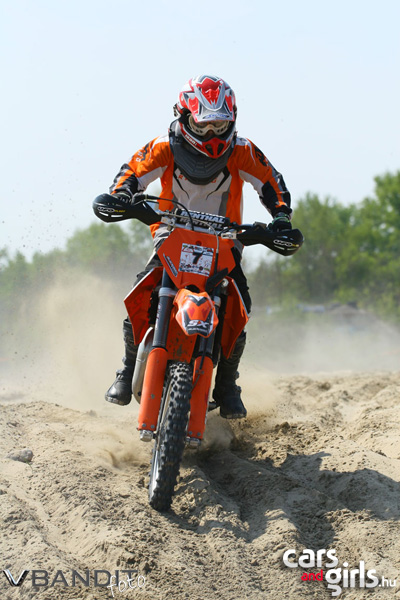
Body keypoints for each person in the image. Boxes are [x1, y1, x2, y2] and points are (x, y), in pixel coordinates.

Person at [100, 75, 292, 419]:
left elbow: (270, 182)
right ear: (184, 116)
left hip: (225, 243)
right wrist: (121, 195)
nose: (212, 134)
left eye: (220, 125)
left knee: (240, 305)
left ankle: (227, 384)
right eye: (203, 125)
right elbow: (132, 171)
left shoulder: (243, 150)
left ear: (232, 120)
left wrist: (280, 218)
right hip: (171, 236)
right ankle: (127, 369)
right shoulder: (164, 146)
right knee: (141, 291)